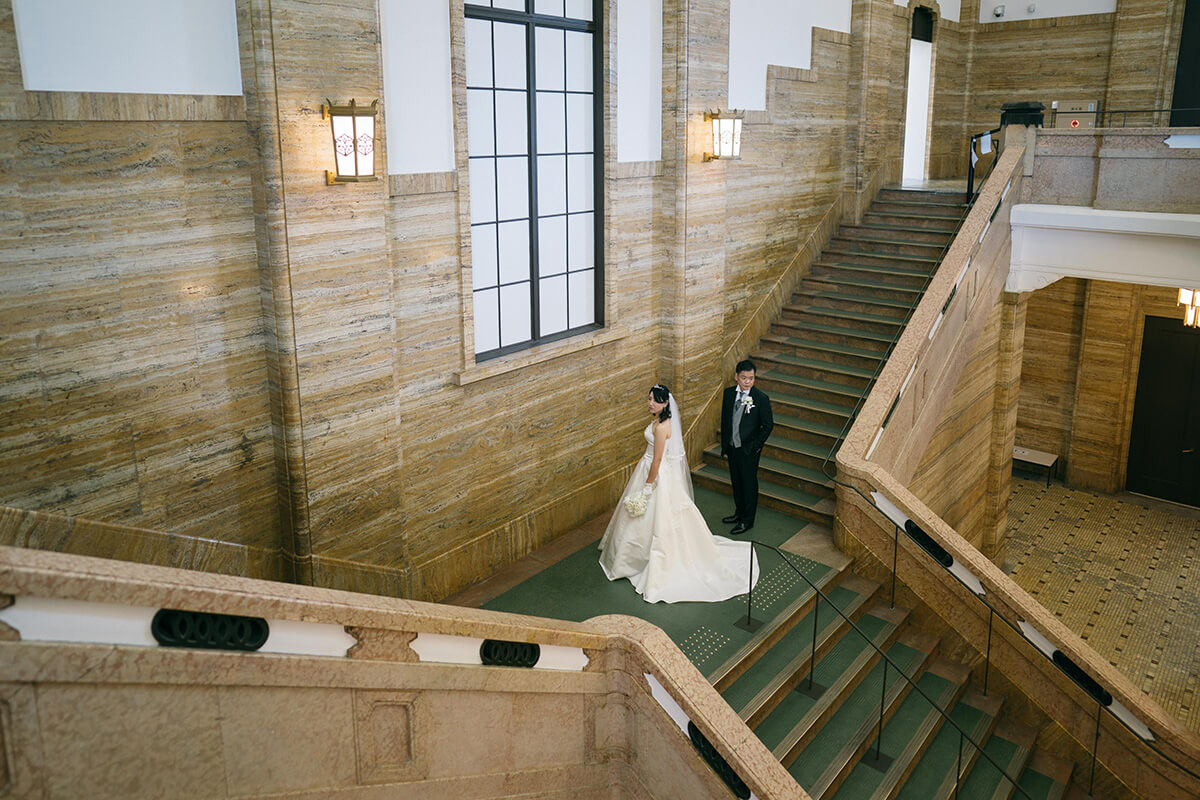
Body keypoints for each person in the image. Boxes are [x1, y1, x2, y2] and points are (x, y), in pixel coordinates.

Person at [599, 384, 759, 603]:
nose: (650, 403)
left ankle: (645, 560)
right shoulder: (660, 421)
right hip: (648, 467)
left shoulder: (662, 426)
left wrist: (648, 485)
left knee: (656, 516)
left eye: (654, 400)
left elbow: (657, 459)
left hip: (654, 472)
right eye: (648, 399)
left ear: (665, 403)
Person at [720, 359, 773, 534]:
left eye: (751, 378)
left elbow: (768, 425)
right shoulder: (728, 394)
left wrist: (755, 446)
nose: (747, 382)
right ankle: (739, 513)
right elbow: (726, 419)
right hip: (732, 447)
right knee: (736, 482)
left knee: (748, 485)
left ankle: (747, 520)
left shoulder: (760, 398)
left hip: (748, 450)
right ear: (736, 377)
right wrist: (725, 444)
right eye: (744, 378)